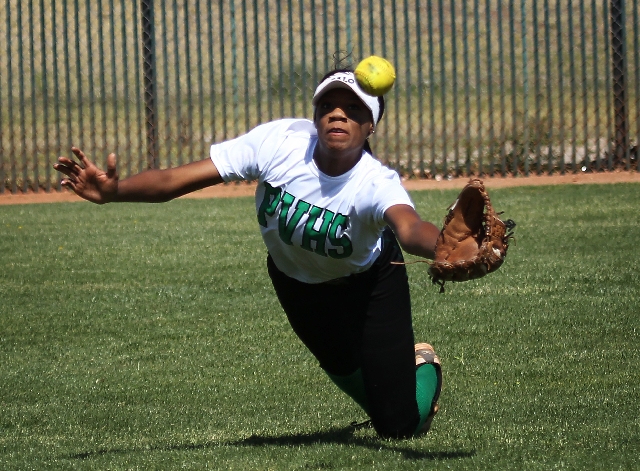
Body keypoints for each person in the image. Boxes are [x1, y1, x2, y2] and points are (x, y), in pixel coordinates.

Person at [54, 68, 443, 439]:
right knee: (350, 374)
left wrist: (447, 247)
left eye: (354, 108)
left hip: (370, 285)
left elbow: (410, 230)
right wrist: (115, 192)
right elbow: (174, 180)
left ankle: (424, 366)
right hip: (297, 285)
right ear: (315, 116)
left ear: (370, 124)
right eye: (327, 105)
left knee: (398, 427)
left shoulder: (374, 182)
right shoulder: (281, 143)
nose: (337, 114)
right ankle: (388, 396)